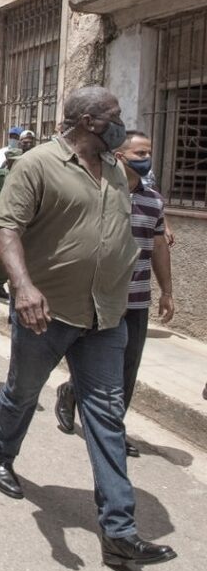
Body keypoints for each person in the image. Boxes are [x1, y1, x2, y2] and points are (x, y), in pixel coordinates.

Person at [0, 86, 176, 568]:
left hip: (106, 314)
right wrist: (22, 287)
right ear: (88, 120)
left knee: (107, 416)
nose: (120, 123)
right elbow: (6, 228)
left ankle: (119, 530)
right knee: (23, 392)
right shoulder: (37, 164)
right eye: (114, 116)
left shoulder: (115, 168)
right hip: (46, 311)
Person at [54, 131, 175, 458]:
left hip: (135, 301)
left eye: (149, 151)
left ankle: (111, 432)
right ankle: (72, 391)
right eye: (139, 152)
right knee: (92, 364)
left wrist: (167, 291)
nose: (146, 157)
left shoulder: (153, 200)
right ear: (119, 156)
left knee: (126, 371)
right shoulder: (100, 191)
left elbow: (160, 246)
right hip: (98, 298)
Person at [0, 148, 22, 299]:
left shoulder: (24, 176)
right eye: (15, 160)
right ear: (8, 161)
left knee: (11, 255)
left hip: (15, 221)